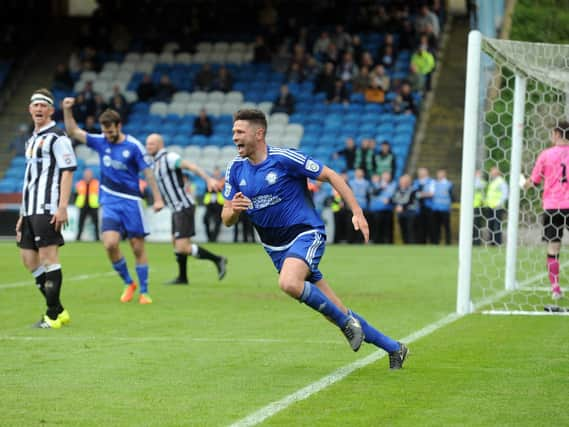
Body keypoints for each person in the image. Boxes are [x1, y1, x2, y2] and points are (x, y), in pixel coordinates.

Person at [221, 109, 408, 369]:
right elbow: (226, 217)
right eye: (233, 132)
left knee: (288, 283)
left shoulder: (284, 159)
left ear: (259, 133)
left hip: (305, 233)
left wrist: (356, 211)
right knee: (337, 309)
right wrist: (234, 210)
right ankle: (394, 348)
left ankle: (346, 325)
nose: (234, 137)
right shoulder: (234, 169)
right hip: (276, 249)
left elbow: (331, 175)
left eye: (239, 132)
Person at [62, 97, 164, 304]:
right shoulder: (101, 141)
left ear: (119, 126)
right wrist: (67, 110)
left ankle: (144, 291)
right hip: (109, 201)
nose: (107, 135)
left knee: (137, 247)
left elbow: (148, 173)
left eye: (110, 131)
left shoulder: (134, 146)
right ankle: (129, 282)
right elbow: (73, 132)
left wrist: (158, 199)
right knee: (109, 244)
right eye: (104, 131)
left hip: (131, 201)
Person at [16, 88, 77, 328]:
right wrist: (22, 212)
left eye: (44, 105)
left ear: (51, 110)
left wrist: (62, 207)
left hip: (47, 207)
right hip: (30, 210)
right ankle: (59, 310)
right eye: (35, 105)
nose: (39, 109)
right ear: (30, 109)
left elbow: (68, 172)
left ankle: (51, 316)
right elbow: (29, 178)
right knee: (29, 260)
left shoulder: (58, 137)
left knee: (49, 258)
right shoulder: (32, 139)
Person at [145, 133, 227, 284]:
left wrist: (208, 179)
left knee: (182, 247)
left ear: (160, 144)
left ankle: (218, 259)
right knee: (175, 243)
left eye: (151, 144)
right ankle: (182, 277)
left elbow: (191, 166)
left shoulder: (169, 158)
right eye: (147, 144)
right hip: (176, 208)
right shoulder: (154, 162)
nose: (148, 146)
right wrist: (159, 200)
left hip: (183, 206)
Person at [524, 121, 569, 300]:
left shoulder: (546, 155)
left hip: (552, 207)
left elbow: (533, 182)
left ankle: (555, 288)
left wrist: (522, 183)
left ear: (557, 134)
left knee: (553, 247)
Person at [484, 166, 508, 246]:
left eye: (492, 172)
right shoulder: (492, 182)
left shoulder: (501, 181)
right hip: (490, 206)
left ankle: (497, 242)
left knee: (497, 225)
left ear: (497, 173)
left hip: (498, 207)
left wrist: (499, 203)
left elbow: (505, 193)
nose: (491, 174)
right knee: (490, 224)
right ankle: (492, 242)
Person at [74, 168, 100, 241]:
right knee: (80, 223)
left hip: (93, 205)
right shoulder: (80, 183)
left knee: (95, 223)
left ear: (92, 175)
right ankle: (78, 238)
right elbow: (76, 194)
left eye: (89, 174)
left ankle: (97, 238)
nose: (87, 176)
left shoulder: (96, 183)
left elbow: (99, 194)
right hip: (83, 205)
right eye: (86, 174)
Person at [430, 169, 453, 245]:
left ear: (445, 174)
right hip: (435, 208)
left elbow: (452, 196)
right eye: (438, 174)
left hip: (445, 209)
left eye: (441, 174)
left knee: (446, 227)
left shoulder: (449, 184)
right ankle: (436, 242)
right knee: (436, 227)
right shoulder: (434, 183)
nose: (439, 175)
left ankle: (448, 242)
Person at [203, 166, 225, 243]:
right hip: (210, 204)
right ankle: (209, 237)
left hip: (219, 204)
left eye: (217, 172)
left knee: (218, 221)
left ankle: (214, 238)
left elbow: (220, 189)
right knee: (205, 220)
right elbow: (207, 190)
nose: (216, 173)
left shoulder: (222, 181)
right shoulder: (210, 181)